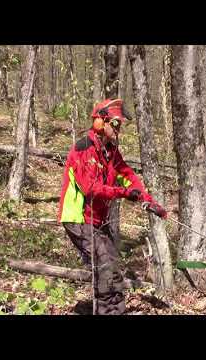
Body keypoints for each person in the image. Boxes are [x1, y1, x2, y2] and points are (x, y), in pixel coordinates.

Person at [58, 98, 167, 315]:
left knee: (113, 268)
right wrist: (125, 194)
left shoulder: (110, 151)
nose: (118, 130)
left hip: (97, 219)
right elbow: (91, 188)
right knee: (105, 267)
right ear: (101, 122)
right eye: (115, 124)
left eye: (120, 125)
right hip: (78, 217)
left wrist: (148, 200)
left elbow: (128, 176)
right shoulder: (84, 149)